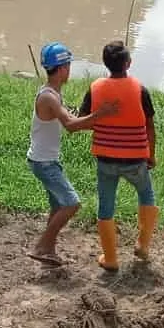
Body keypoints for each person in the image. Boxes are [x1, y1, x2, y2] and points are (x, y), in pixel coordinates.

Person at [78, 41, 158, 273]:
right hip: (135, 159)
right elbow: (150, 126)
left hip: (106, 159)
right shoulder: (140, 89)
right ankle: (142, 244)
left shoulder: (95, 88)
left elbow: (83, 120)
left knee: (106, 206)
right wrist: (150, 154)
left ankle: (111, 258)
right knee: (146, 195)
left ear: (105, 63)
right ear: (128, 63)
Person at [25, 43, 108, 267]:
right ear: (62, 68)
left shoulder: (52, 93)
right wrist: (100, 114)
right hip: (44, 163)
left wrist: (94, 122)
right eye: (68, 65)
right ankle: (42, 246)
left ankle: (48, 250)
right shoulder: (49, 97)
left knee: (57, 206)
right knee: (71, 204)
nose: (69, 70)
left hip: (45, 159)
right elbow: (71, 125)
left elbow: (70, 120)